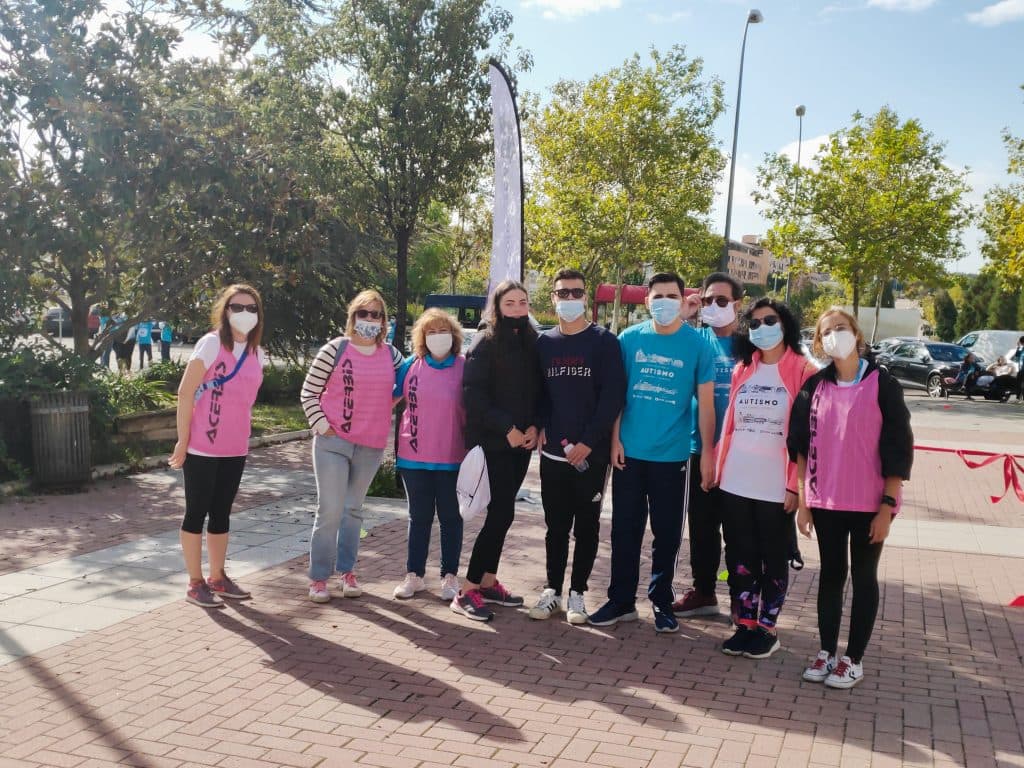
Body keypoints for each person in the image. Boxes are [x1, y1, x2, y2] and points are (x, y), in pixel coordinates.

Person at [788, 308, 913, 689]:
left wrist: (887, 506)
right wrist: (805, 502)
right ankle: (827, 652)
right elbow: (800, 448)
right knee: (830, 576)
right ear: (818, 342)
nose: (834, 336)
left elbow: (898, 447)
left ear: (856, 333)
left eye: (840, 328)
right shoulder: (815, 387)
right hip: (826, 502)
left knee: (863, 578)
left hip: (870, 506)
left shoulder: (882, 383)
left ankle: (853, 659)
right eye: (827, 332)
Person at [589, 273, 715, 634]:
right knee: (624, 531)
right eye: (658, 296)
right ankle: (621, 601)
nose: (664, 302)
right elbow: (616, 397)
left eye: (671, 296)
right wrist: (614, 440)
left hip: (673, 457)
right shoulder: (629, 340)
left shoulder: (697, 345)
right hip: (629, 453)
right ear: (647, 301)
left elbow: (705, 405)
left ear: (682, 299)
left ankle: (661, 600)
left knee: (668, 534)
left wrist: (706, 452)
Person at [714, 299, 817, 659]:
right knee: (740, 555)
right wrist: (717, 467)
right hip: (735, 480)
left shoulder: (805, 371)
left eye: (770, 320)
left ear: (785, 323)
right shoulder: (744, 368)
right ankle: (745, 624)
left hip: (776, 485)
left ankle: (768, 628)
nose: (762, 327)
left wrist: (796, 485)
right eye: (754, 323)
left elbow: (807, 436)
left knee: (773, 557)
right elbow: (731, 424)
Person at [529, 269, 626, 624]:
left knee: (587, 527)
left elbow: (612, 397)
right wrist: (539, 423)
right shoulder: (543, 343)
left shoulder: (604, 342)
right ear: (552, 298)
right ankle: (552, 590)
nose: (569, 299)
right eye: (562, 293)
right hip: (554, 454)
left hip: (591, 456)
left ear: (586, 297)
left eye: (576, 292)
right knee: (555, 527)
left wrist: (589, 442)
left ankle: (578, 594)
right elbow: (538, 393)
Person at [301, 289, 403, 603]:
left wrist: (389, 405)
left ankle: (348, 572)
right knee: (330, 510)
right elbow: (308, 393)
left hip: (371, 445)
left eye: (376, 315)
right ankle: (319, 578)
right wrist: (323, 426)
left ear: (384, 321)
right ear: (353, 317)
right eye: (364, 313)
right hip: (333, 443)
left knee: (353, 510)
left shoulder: (391, 354)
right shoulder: (335, 349)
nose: (369, 320)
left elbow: (410, 381)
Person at [169, 284, 267, 607]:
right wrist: (183, 441)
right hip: (202, 449)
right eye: (237, 307)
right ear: (225, 311)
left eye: (251, 308)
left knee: (222, 513)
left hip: (235, 448)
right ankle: (195, 583)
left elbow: (246, 402)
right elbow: (186, 393)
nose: (245, 314)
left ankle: (218, 576)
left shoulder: (257, 353)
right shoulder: (210, 344)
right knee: (196, 512)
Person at [453, 279, 541, 622]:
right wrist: (507, 429)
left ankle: (488, 582)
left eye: (523, 302)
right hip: (494, 443)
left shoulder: (532, 342)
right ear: (498, 308)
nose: (518, 309)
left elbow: (536, 393)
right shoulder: (485, 342)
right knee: (500, 514)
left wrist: (534, 426)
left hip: (522, 444)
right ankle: (468, 590)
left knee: (505, 515)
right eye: (510, 304)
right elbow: (473, 395)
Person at [673, 272, 743, 619]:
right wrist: (684, 313)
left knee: (738, 529)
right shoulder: (695, 339)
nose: (714, 307)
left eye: (722, 301)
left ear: (737, 305)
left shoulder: (753, 346)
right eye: (708, 300)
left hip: (740, 456)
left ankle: (740, 597)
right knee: (701, 526)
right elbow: (660, 337)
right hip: (698, 449)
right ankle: (704, 592)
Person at [392, 309, 467, 602]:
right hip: (414, 456)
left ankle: (449, 576)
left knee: (451, 518)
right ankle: (414, 575)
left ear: (454, 335)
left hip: (453, 456)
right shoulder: (411, 365)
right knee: (419, 517)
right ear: (422, 337)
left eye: (443, 330)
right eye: (431, 331)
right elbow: (387, 398)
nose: (438, 337)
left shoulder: (465, 366)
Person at [1012, 336, 1024, 403]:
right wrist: (1018, 347)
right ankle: (1018, 398)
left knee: (1021, 383)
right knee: (1019, 383)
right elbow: (1016, 356)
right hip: (1021, 369)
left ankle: (1020, 398)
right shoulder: (1021, 349)